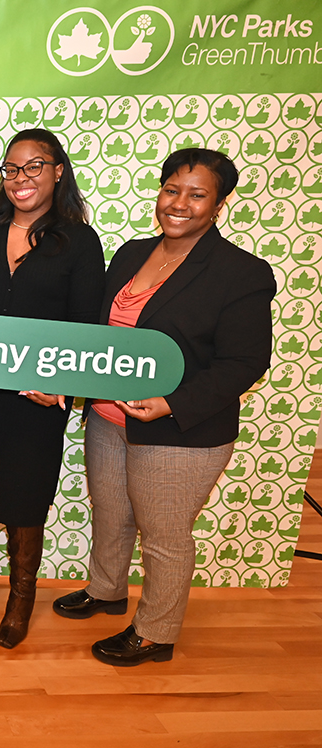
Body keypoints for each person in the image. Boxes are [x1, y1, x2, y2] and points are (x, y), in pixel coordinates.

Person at [53, 148, 275, 666]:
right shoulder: (132, 252)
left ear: (218, 204)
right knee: (112, 514)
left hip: (181, 430)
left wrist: (171, 403)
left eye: (197, 194)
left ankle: (156, 632)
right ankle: (107, 590)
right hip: (109, 417)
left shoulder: (240, 272)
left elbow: (245, 361)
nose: (180, 203)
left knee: (164, 535)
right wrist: (65, 381)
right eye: (172, 189)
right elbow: (102, 337)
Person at [0, 128, 105, 648]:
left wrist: (63, 385)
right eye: (11, 169)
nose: (21, 179)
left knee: (26, 493)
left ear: (58, 171)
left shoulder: (79, 241)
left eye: (34, 166)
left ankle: (20, 598)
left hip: (37, 399)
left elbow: (85, 326)